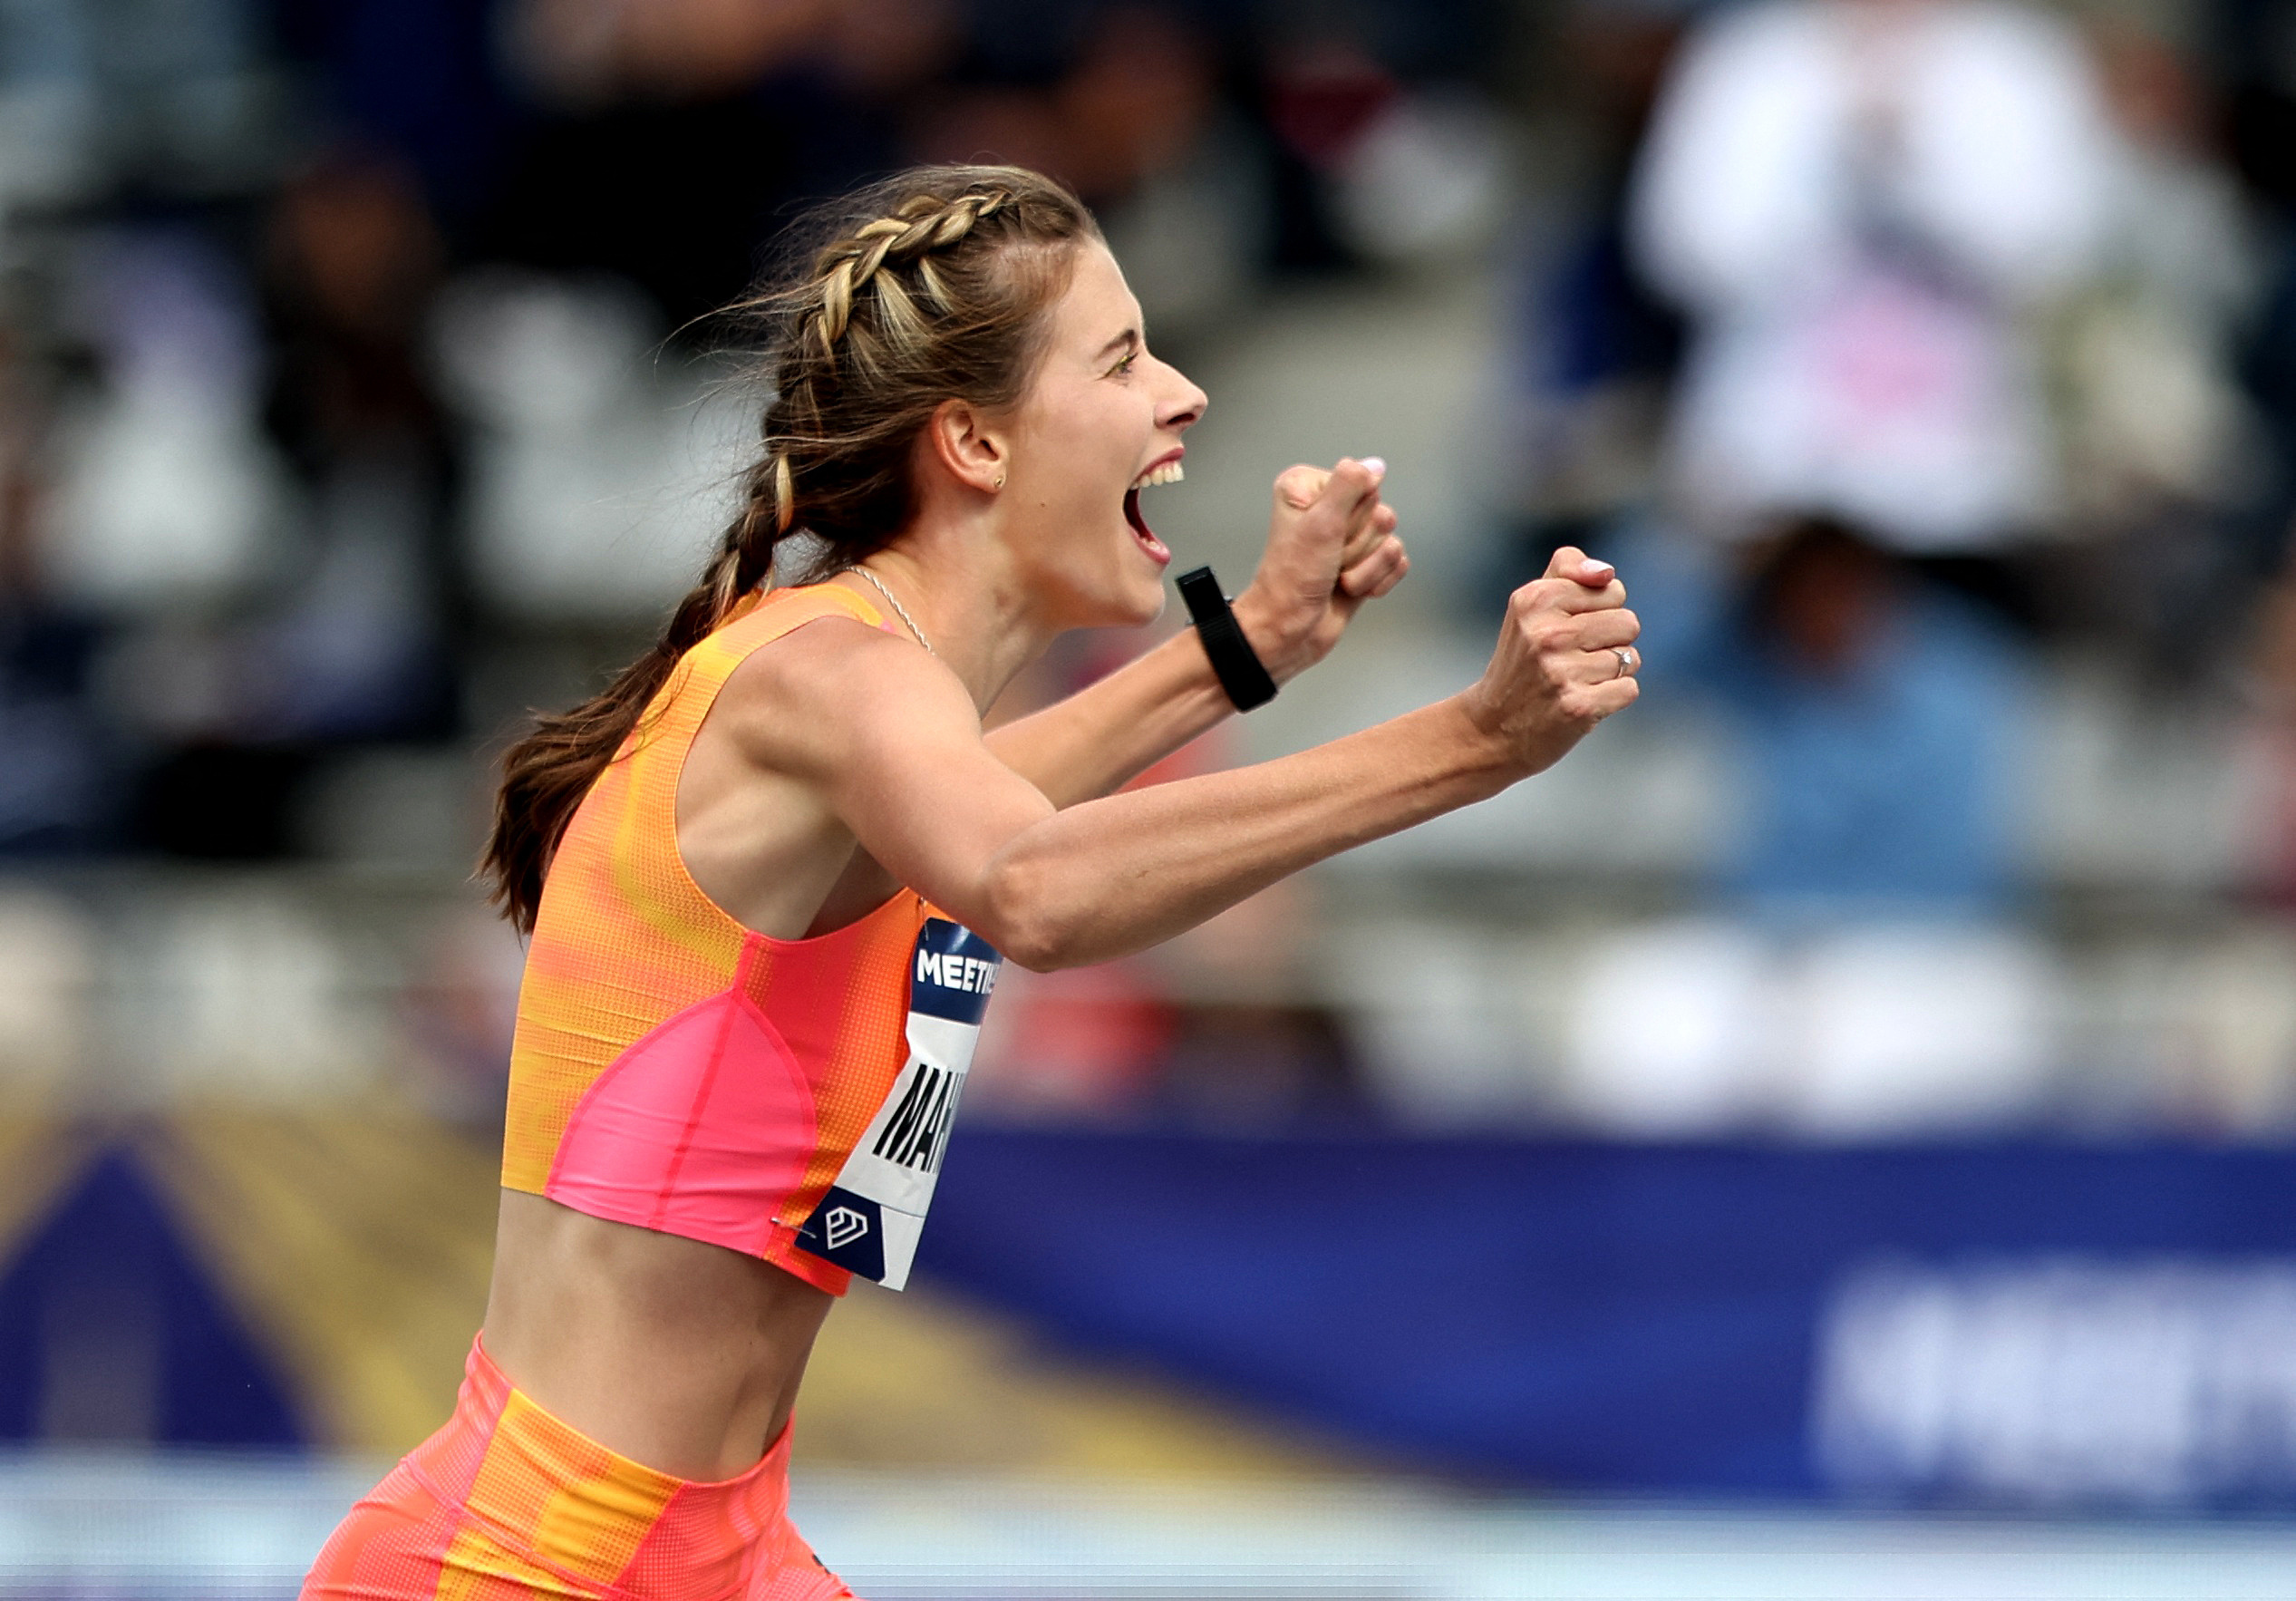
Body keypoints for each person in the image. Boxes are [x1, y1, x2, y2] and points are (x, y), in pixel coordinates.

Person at [300, 163, 1640, 1599]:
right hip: (525, 1566)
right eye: (1123, 358)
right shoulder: (829, 676)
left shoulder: (862, 704)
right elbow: (1037, 889)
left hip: (715, 1548)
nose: (1182, 395)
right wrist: (1467, 743)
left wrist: (1249, 642)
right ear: (975, 444)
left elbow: (999, 807)